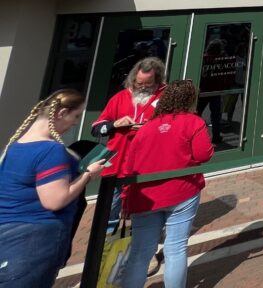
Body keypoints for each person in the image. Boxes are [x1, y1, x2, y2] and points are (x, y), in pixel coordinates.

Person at [0, 90, 106, 287]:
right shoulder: (50, 150)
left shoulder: (15, 146)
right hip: (35, 240)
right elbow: (55, 200)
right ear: (61, 113)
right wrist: (88, 174)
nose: (75, 123)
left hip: (7, 233)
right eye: (76, 116)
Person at [120, 80, 215, 288]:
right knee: (176, 248)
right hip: (182, 191)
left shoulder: (145, 129)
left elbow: (129, 167)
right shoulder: (193, 122)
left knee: (140, 250)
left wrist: (126, 200)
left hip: (145, 197)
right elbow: (203, 154)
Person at [91, 56, 167, 231]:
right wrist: (114, 124)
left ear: (157, 81)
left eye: (147, 84)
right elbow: (96, 128)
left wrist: (153, 127)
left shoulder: (164, 98)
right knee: (110, 213)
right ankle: (107, 247)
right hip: (117, 165)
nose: (142, 88)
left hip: (147, 166)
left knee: (145, 215)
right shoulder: (120, 98)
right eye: (138, 83)